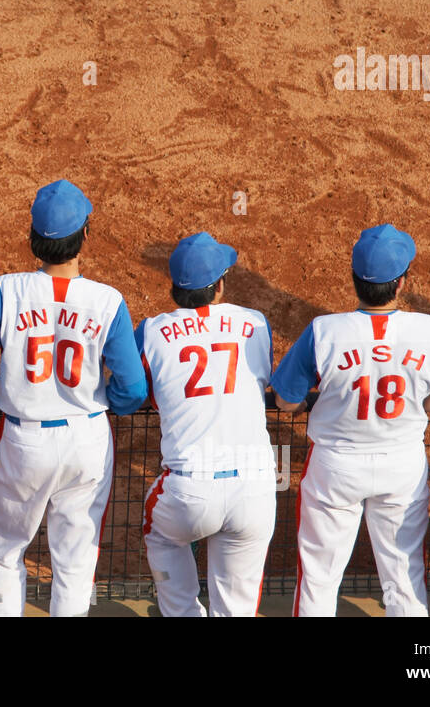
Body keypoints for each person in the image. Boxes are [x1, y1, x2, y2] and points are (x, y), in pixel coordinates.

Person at [0, 179, 148, 617]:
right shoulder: (108, 300)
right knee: (76, 561)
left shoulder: (7, 290)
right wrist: (105, 403)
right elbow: (133, 389)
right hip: (88, 442)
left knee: (4, 552)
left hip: (23, 443)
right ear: (85, 237)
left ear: (32, 240)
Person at [272, 223, 430, 616]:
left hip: (335, 468)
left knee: (319, 577)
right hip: (402, 467)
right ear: (400, 285)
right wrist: (423, 407)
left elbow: (284, 401)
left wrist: (317, 403)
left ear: (354, 281)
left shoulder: (324, 331)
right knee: (404, 576)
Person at [135, 232, 276, 616]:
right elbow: (264, 377)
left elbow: (133, 392)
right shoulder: (256, 323)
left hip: (187, 492)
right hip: (254, 489)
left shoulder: (149, 332)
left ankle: (182, 611)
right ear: (218, 287)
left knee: (161, 535)